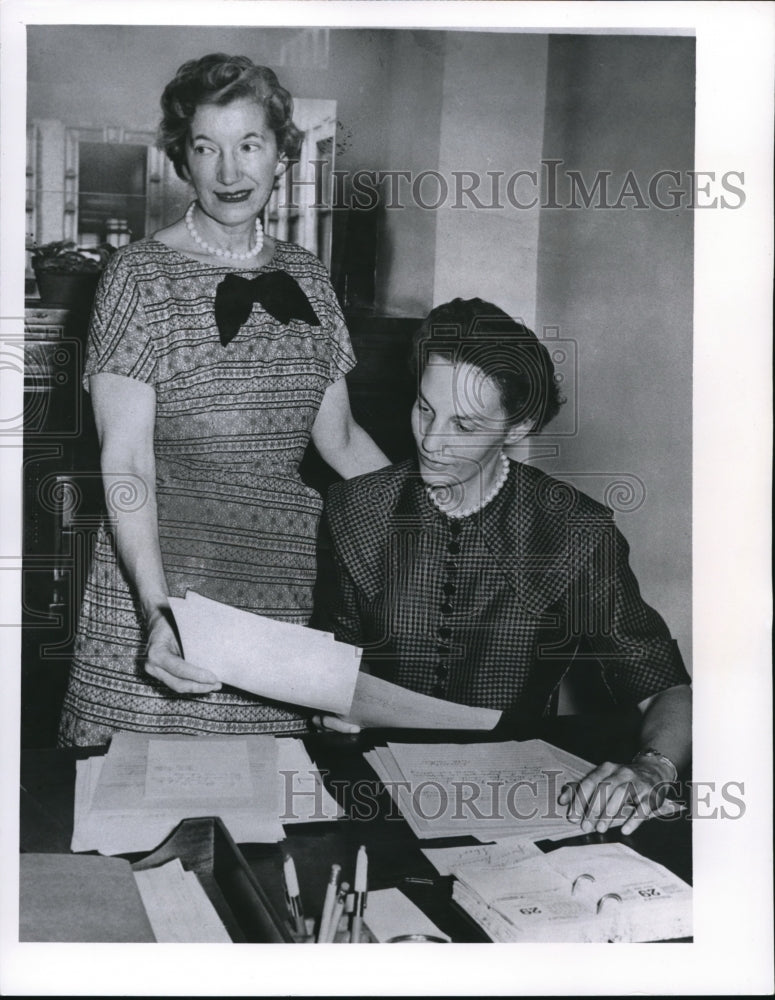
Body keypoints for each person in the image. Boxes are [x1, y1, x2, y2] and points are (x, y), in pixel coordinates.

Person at [58, 54, 389, 746]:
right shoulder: (137, 276)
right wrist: (157, 613)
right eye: (207, 148)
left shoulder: (307, 276)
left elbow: (343, 442)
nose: (230, 172)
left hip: (280, 599)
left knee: (268, 826)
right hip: (165, 595)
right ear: (183, 159)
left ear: (281, 155)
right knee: (136, 835)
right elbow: (127, 465)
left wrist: (443, 529)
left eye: (250, 145)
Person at [319, 297, 692, 834]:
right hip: (373, 788)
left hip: (514, 798)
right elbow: (338, 661)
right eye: (425, 409)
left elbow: (664, 686)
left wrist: (650, 767)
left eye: (465, 425)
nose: (431, 441)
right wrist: (328, 700)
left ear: (517, 428)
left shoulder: (573, 530)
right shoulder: (358, 508)